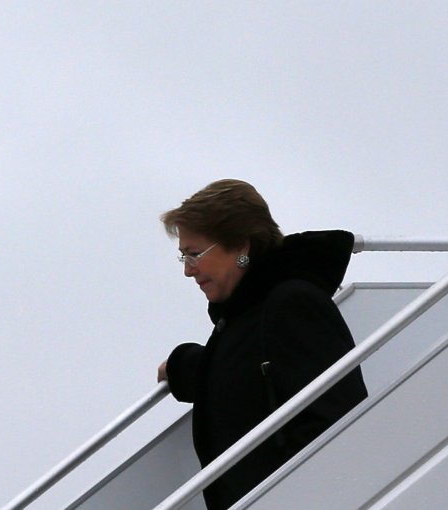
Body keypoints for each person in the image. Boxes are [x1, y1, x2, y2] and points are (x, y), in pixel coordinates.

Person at [156, 179, 367, 510]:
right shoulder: (248, 316)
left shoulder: (292, 304)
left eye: (195, 254)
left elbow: (337, 420)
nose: (188, 270)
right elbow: (239, 374)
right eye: (183, 256)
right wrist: (182, 367)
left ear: (241, 246)